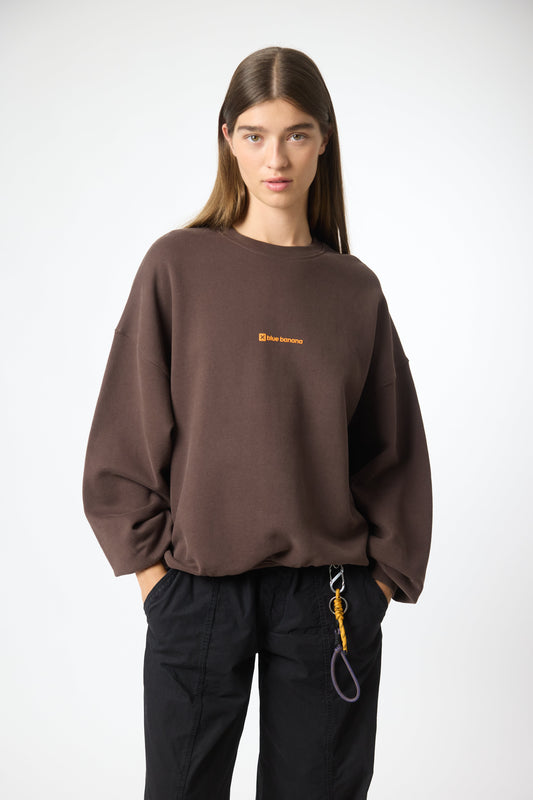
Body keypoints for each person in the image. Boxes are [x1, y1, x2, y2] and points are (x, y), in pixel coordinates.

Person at [82, 45, 432, 800]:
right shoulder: (176, 266)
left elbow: (393, 451)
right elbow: (126, 431)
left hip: (328, 598)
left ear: (323, 140)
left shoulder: (353, 289)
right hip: (195, 589)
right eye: (255, 134)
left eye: (296, 134)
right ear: (227, 139)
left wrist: (377, 587)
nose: (276, 158)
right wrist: (153, 580)